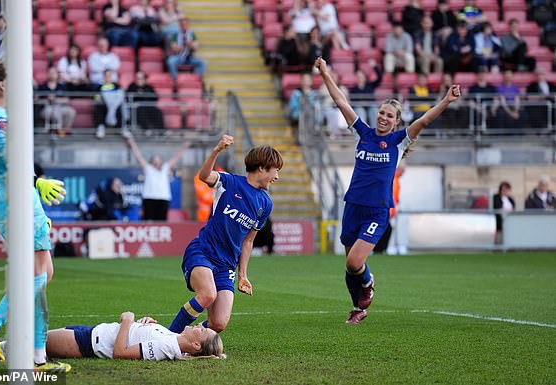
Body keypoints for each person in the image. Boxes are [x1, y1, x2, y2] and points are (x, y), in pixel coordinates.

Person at [315, 56, 461, 324]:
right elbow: (340, 102)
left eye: (389, 115)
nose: (383, 117)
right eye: (381, 113)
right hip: (353, 206)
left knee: (354, 264)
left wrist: (446, 101)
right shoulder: (363, 133)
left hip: (377, 211)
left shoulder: (398, 141)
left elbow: (425, 120)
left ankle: (369, 283)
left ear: (396, 121)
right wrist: (325, 73)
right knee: (349, 267)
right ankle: (358, 309)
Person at [0, 53, 69, 372]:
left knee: (44, 273)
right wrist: (37, 183)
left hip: (16, 201)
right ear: (0, 85)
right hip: (16, 201)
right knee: (38, 275)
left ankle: (1, 333)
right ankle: (27, 352)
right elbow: (9, 157)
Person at [168, 135, 283, 333]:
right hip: (203, 251)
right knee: (207, 294)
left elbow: (248, 242)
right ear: (262, 168)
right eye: (276, 171)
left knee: (219, 323)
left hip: (226, 264)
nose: (277, 177)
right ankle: (169, 338)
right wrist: (217, 150)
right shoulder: (229, 182)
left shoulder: (265, 203)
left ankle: (189, 335)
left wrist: (243, 275)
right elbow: (204, 176)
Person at [0, 312, 224, 361]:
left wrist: (127, 320)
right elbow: (141, 336)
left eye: (202, 328)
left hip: (88, 344)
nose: (198, 323)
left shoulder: (167, 346)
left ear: (196, 344)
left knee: (27, 340)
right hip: (89, 333)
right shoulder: (171, 338)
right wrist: (143, 322)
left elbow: (121, 352)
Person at [125, 134, 190, 221]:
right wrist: (131, 142)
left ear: (161, 161)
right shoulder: (148, 168)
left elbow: (177, 157)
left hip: (163, 198)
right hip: (149, 197)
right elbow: (138, 156)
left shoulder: (165, 167)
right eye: (154, 160)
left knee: (161, 222)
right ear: (151, 161)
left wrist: (185, 146)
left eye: (158, 159)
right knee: (148, 221)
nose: (156, 161)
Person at [36, 67, 76, 135]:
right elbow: (37, 100)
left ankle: (64, 130)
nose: (52, 75)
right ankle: (56, 131)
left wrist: (56, 99)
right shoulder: (42, 86)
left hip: (60, 107)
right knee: (54, 112)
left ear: (57, 74)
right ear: (47, 74)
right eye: (50, 73)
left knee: (71, 111)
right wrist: (48, 99)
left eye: (53, 73)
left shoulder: (62, 86)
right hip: (46, 108)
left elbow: (67, 100)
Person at [94, 69, 127, 138]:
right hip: (104, 105)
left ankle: (122, 128)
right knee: (98, 107)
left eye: (109, 76)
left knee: (120, 107)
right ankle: (100, 128)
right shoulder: (99, 87)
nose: (108, 77)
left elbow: (121, 96)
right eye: (106, 76)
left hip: (115, 105)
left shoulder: (116, 86)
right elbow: (96, 98)